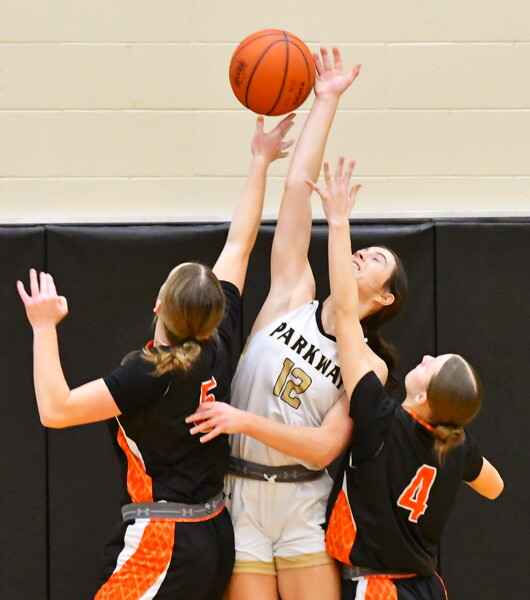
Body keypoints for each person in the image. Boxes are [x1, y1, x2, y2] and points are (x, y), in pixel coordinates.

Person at [16, 113, 295, 600]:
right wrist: (259, 161)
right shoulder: (220, 340)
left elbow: (55, 410)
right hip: (213, 530)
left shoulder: (149, 372)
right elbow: (240, 244)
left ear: (159, 305)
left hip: (166, 540)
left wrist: (43, 327)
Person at [186, 48, 407, 600]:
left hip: (301, 501)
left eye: (376, 259)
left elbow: (323, 448)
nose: (362, 254)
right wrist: (325, 100)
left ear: (385, 297)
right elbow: (295, 193)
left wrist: (241, 419)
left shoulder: (368, 365)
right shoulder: (293, 295)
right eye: (362, 249)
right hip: (239, 493)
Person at [307, 156, 504, 599]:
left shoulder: (380, 417)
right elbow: (494, 488)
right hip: (427, 587)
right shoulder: (456, 445)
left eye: (433, 364)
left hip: (379, 587)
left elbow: (345, 313)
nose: (427, 356)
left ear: (426, 397)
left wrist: (338, 222)